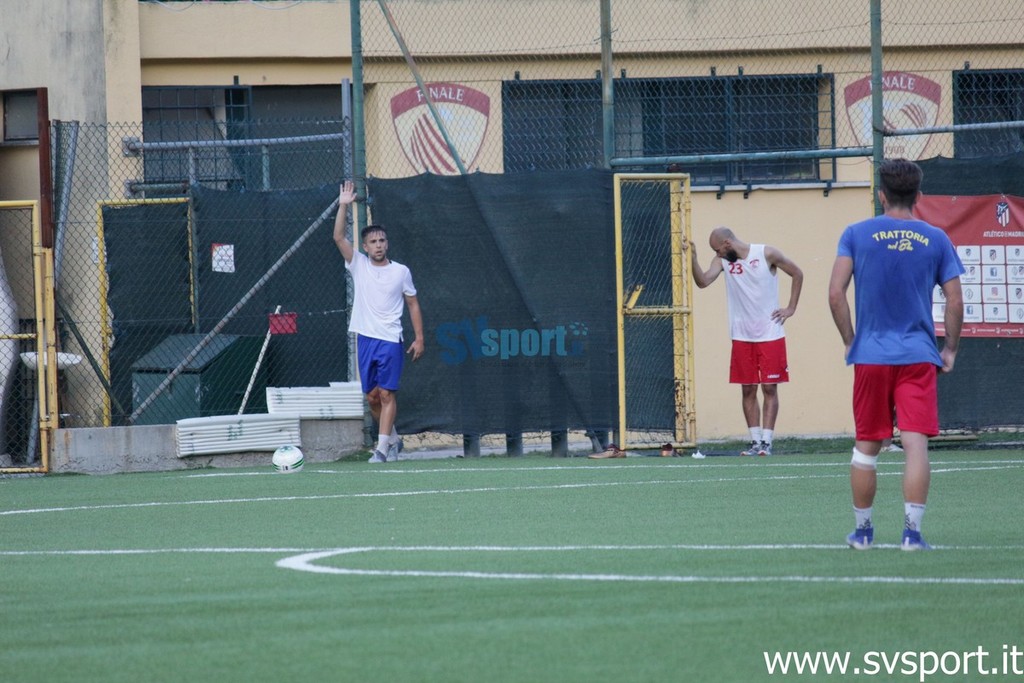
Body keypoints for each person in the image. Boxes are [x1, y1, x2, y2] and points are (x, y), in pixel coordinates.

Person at [828, 158, 964, 551]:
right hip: (918, 355)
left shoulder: (856, 233)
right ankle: (912, 535)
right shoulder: (936, 238)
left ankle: (863, 534)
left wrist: (850, 340)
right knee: (915, 445)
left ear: (881, 195)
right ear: (918, 196)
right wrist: (949, 349)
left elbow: (835, 293)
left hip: (871, 355)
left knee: (866, 447)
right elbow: (955, 300)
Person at [687, 227, 803, 456]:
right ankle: (755, 441)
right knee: (748, 389)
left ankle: (767, 442)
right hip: (741, 335)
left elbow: (797, 273)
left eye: (717, 249)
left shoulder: (766, 253)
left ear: (727, 243)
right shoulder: (723, 261)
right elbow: (703, 281)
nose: (717, 254)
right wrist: (693, 258)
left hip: (770, 333)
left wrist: (790, 308)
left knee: (769, 387)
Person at [334, 181, 424, 463]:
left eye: (382, 241)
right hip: (365, 338)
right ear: (365, 246)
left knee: (386, 394)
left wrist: (419, 338)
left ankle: (382, 449)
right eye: (373, 242)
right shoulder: (358, 264)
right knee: (372, 397)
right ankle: (393, 439)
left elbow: (413, 303)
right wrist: (343, 205)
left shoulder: (401, 272)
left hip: (390, 339)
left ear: (387, 243)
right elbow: (338, 237)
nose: (378, 245)